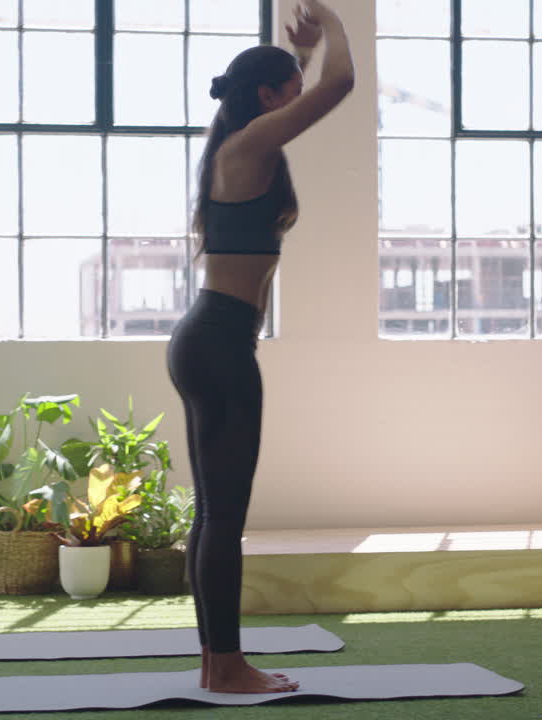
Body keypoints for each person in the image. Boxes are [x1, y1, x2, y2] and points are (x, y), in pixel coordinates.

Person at [164, 0, 353, 694]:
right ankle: (226, 668)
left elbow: (294, 91)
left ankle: (218, 664)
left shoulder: (238, 139)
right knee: (225, 514)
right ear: (270, 99)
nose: (298, 100)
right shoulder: (247, 148)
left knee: (214, 512)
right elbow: (340, 88)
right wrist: (334, 26)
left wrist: (295, 57)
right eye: (288, 91)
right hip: (219, 342)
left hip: (209, 337)